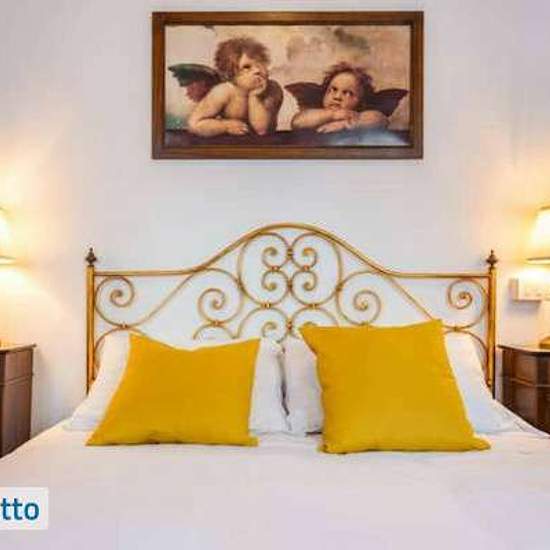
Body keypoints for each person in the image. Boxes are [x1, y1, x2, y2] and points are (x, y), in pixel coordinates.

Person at [188, 37, 283, 137]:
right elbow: (194, 124)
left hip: (263, 144)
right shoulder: (223, 92)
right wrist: (225, 126)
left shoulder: (272, 89)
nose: (257, 71)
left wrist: (254, 97)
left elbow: (262, 131)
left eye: (260, 64)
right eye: (247, 67)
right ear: (230, 74)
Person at [290, 63, 389, 134]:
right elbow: (297, 122)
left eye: (347, 93)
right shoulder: (316, 114)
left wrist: (346, 125)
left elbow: (381, 120)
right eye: (333, 90)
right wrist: (333, 115)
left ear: (361, 102)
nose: (337, 97)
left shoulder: (359, 115)